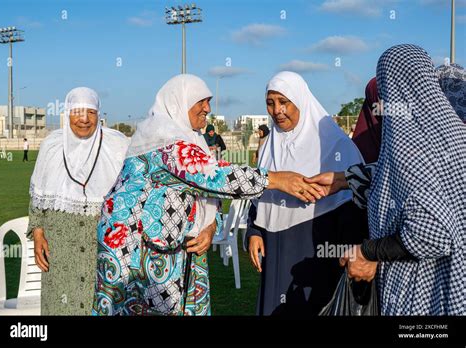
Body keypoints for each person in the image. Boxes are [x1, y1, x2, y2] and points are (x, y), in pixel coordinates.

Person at [92, 74, 324, 316]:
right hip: (136, 254)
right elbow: (215, 176)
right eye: (201, 101)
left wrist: (210, 226)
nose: (208, 108)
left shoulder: (190, 139)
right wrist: (277, 179)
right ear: (180, 102)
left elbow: (203, 191)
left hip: (175, 248)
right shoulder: (163, 140)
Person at [307, 44, 466, 315]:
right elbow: (408, 186)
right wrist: (344, 179)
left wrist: (369, 251)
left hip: (425, 293)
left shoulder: (411, 145)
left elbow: (432, 235)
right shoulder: (454, 136)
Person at [245, 71, 368, 316]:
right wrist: (254, 232)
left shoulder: (337, 146)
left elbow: (355, 208)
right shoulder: (270, 147)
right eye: (270, 103)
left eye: (284, 102)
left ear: (300, 101)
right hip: (276, 253)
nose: (277, 110)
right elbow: (258, 197)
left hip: (319, 254)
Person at [27, 87, 129, 315]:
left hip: (103, 241)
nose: (84, 119)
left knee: (102, 300)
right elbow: (37, 193)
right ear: (67, 114)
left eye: (91, 112)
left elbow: (132, 189)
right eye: (78, 112)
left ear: (99, 115)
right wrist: (38, 232)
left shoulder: (117, 145)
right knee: (61, 303)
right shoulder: (51, 146)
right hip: (60, 244)